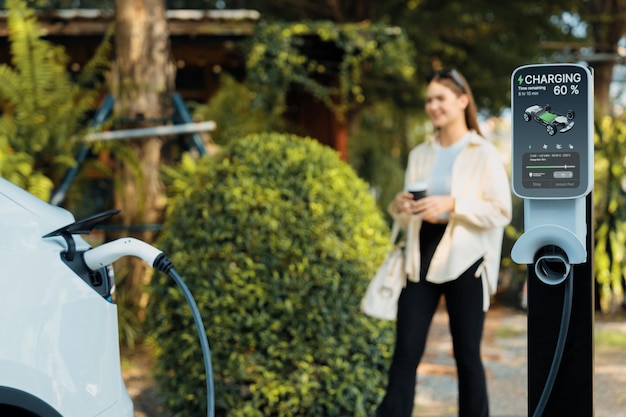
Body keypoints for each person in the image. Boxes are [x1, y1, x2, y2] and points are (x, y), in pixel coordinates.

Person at [375, 69, 512, 417]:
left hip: (466, 261)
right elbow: (407, 212)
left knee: (467, 355)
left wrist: (452, 204)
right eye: (429, 100)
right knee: (405, 352)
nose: (433, 106)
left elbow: (501, 211)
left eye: (440, 98)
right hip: (420, 260)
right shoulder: (420, 152)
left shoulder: (483, 152)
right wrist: (400, 205)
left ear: (462, 101)